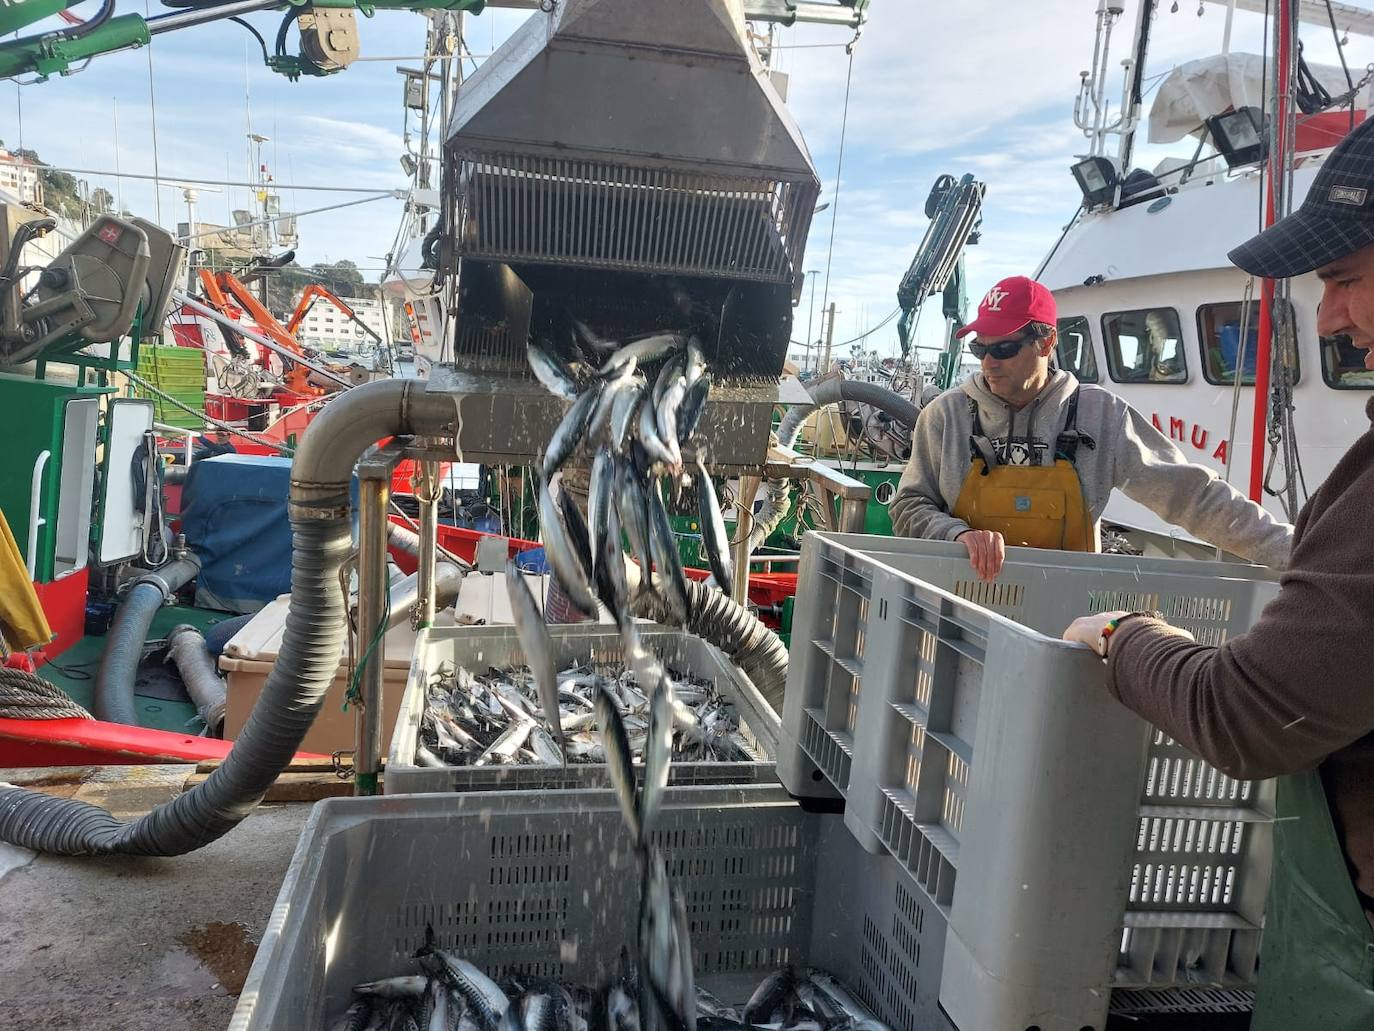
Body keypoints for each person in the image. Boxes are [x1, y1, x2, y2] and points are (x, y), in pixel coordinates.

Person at [1064, 115, 1374, 1031]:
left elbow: (1251, 713)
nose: (1328, 317)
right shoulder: (946, 421)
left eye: (1347, 279)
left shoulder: (1097, 411)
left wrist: (1123, 636)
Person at [889, 274, 1292, 579]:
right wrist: (956, 535)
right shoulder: (945, 416)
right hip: (961, 600)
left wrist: (1296, 552)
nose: (988, 362)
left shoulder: (1101, 416)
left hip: (1066, 610)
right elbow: (908, 506)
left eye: (1004, 348)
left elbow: (1193, 498)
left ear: (1046, 343)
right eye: (980, 348)